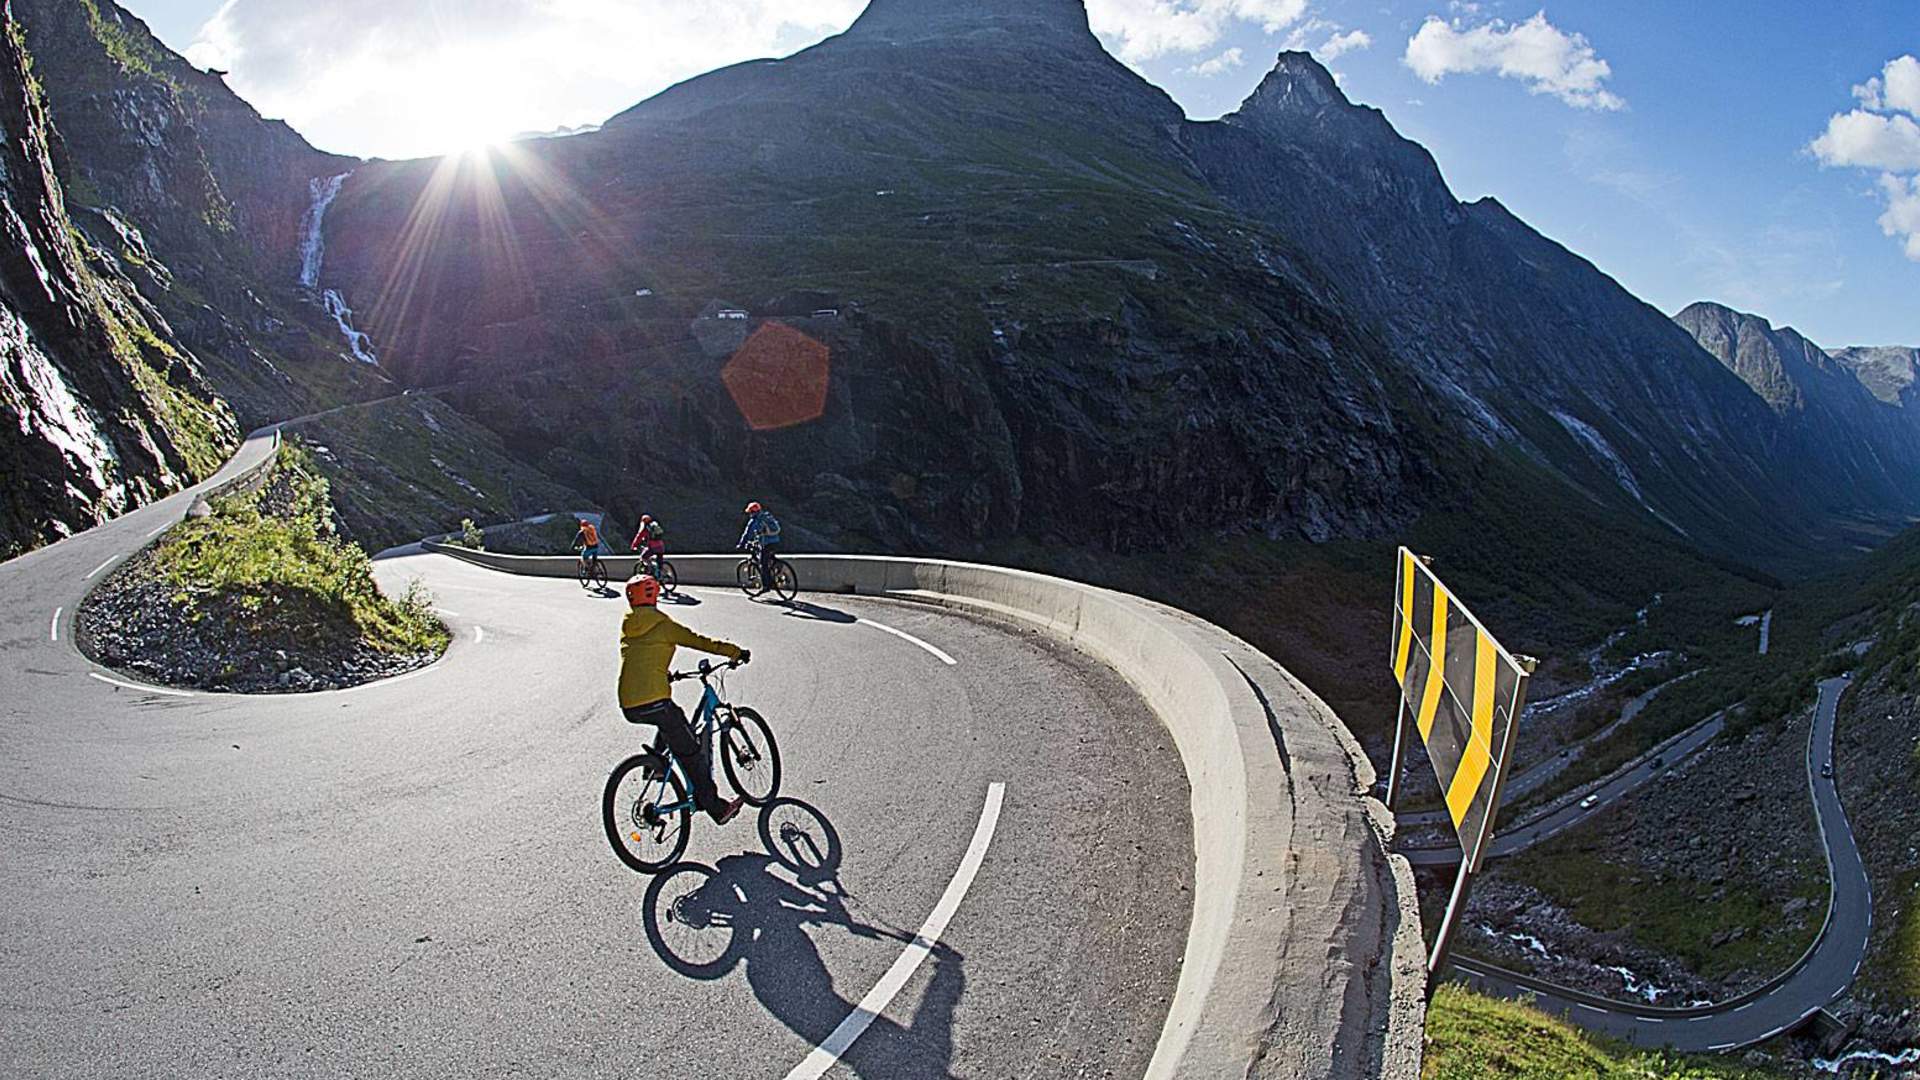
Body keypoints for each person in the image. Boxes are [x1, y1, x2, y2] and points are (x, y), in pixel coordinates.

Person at [618, 574, 751, 824]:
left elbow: (639, 658)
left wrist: (663, 674)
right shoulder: (663, 624)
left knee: (670, 725)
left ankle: (654, 767)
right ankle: (717, 809)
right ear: (654, 595)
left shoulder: (628, 624)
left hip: (628, 704)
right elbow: (701, 641)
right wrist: (734, 652)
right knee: (691, 753)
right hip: (656, 701)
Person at [738, 501, 783, 590]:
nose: (750, 514)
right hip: (776, 541)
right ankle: (777, 569)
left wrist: (741, 544)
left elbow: (747, 534)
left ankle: (766, 586)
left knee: (763, 564)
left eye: (750, 512)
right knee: (769, 558)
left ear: (752, 512)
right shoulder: (767, 516)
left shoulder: (754, 521)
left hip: (766, 543)